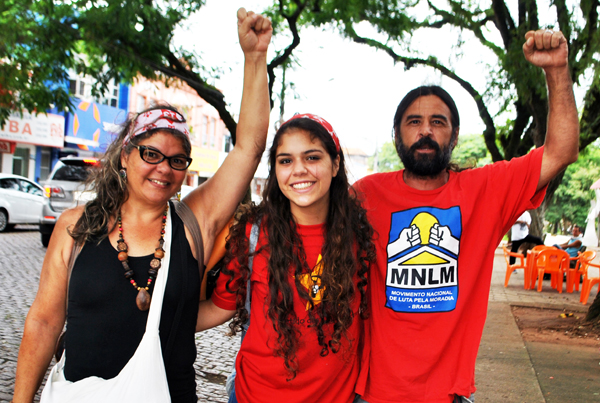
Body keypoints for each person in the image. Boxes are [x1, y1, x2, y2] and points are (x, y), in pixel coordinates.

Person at [12, 8, 271, 403]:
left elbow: (249, 147)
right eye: (150, 153)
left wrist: (255, 59)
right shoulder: (73, 227)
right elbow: (44, 322)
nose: (163, 168)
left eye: (176, 160)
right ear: (124, 157)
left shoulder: (192, 223)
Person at [353, 29, 579, 403]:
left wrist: (557, 70)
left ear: (454, 135)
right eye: (414, 122)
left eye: (438, 122)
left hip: (449, 395)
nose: (426, 130)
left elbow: (560, 151)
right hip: (371, 392)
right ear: (396, 134)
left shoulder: (485, 190)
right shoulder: (364, 195)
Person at [195, 114, 376, 403]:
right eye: (286, 160)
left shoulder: (362, 235)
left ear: (336, 164)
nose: (299, 170)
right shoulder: (253, 232)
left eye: (312, 157)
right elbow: (219, 309)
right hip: (254, 395)